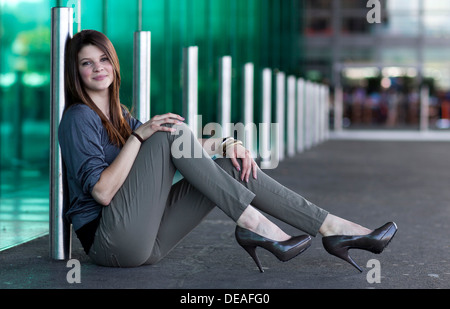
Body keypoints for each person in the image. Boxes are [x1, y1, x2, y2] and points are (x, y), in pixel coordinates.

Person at [59, 30, 397, 273]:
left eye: (103, 58)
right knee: (166, 130)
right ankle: (252, 223)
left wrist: (225, 143)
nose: (98, 67)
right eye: (87, 63)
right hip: (112, 242)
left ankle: (333, 228)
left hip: (149, 244)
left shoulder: (119, 116)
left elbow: (182, 149)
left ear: (114, 64)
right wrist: (139, 137)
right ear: (77, 73)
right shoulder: (78, 117)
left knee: (229, 165)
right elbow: (102, 193)